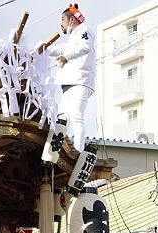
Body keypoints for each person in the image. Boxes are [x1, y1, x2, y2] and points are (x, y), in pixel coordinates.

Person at [46, 4, 95, 151]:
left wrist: (66, 57)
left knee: (76, 116)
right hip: (69, 83)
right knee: (62, 118)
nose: (61, 23)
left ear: (72, 20)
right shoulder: (72, 39)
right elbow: (59, 49)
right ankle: (57, 151)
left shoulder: (85, 30)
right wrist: (40, 49)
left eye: (63, 19)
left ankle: (78, 151)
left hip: (81, 81)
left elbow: (85, 47)